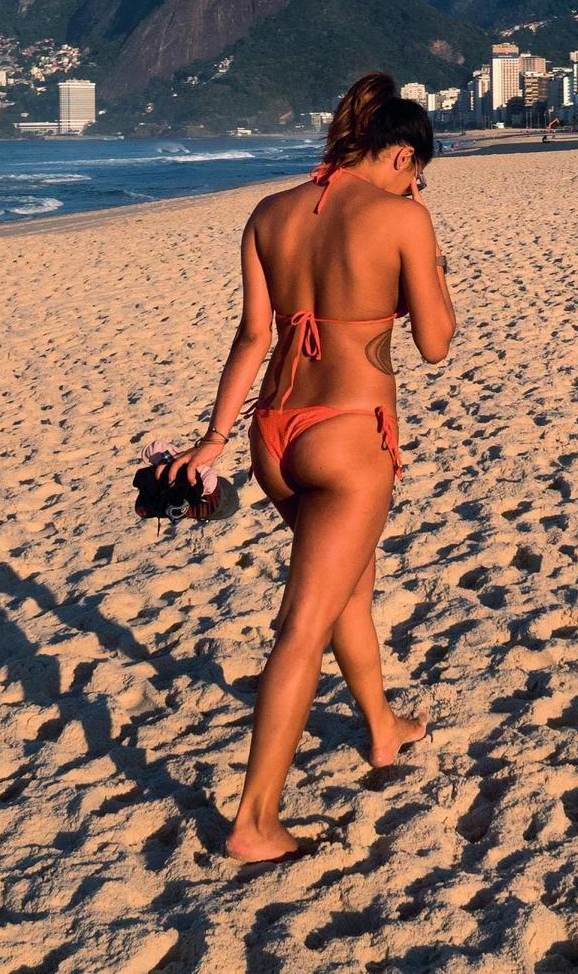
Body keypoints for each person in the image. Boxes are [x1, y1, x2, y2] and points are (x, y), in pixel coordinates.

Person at [164, 72, 456, 862]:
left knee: (346, 585)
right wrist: (423, 240)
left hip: (273, 436)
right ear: (399, 152)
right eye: (415, 171)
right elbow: (435, 341)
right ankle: (255, 820)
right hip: (348, 438)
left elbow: (253, 337)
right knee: (302, 623)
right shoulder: (401, 217)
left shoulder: (269, 214)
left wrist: (212, 440)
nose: (414, 184)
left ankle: (382, 726)